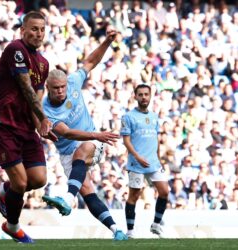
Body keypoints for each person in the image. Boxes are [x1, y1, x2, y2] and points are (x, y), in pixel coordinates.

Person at [41, 28, 128, 241]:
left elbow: (91, 62)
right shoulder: (46, 111)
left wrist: (107, 42)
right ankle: (117, 230)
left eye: (62, 87)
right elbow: (67, 133)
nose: (60, 91)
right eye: (56, 89)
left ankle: (67, 198)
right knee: (88, 191)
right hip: (70, 149)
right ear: (48, 88)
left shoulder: (73, 82)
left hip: (90, 143)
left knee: (82, 152)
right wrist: (96, 135)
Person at [0, 11, 57, 244]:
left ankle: (4, 191)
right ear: (23, 30)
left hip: (25, 127)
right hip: (3, 124)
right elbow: (26, 88)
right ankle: (13, 226)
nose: (38, 33)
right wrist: (44, 117)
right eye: (34, 29)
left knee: (38, 179)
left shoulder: (44, 64)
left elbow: (36, 96)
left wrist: (41, 127)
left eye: (42, 30)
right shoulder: (15, 49)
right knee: (21, 183)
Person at [120, 84, 169, 238]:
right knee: (134, 196)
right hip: (136, 164)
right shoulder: (128, 117)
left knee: (164, 192)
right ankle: (130, 231)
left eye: (146, 94)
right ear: (135, 96)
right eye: (140, 94)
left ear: (150, 96)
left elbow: (156, 140)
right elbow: (126, 141)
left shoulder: (154, 117)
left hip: (153, 163)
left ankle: (155, 224)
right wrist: (137, 156)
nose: (143, 97)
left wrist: (159, 159)